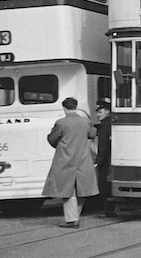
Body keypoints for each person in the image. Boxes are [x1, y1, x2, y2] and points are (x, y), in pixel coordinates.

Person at [42, 97, 99, 228]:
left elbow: (52, 139)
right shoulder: (85, 121)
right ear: (76, 106)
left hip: (65, 160)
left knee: (67, 190)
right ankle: (74, 217)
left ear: (65, 108)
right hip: (83, 160)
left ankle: (72, 220)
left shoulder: (61, 123)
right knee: (82, 190)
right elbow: (92, 134)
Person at [93, 99, 116, 217]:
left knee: (104, 184)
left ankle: (108, 211)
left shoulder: (104, 126)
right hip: (110, 159)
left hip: (105, 161)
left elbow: (103, 146)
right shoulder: (109, 123)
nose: (98, 114)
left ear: (107, 112)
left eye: (100, 112)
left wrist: (98, 161)